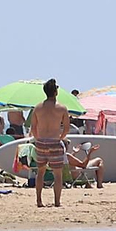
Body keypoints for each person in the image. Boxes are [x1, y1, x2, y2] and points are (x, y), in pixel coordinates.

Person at [29, 79, 71, 208]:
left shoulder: (38, 107)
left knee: (40, 173)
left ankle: (39, 201)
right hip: (54, 142)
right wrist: (60, 138)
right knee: (57, 175)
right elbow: (66, 128)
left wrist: (38, 139)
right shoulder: (61, 108)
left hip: (41, 142)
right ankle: (57, 202)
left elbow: (33, 128)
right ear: (55, 91)